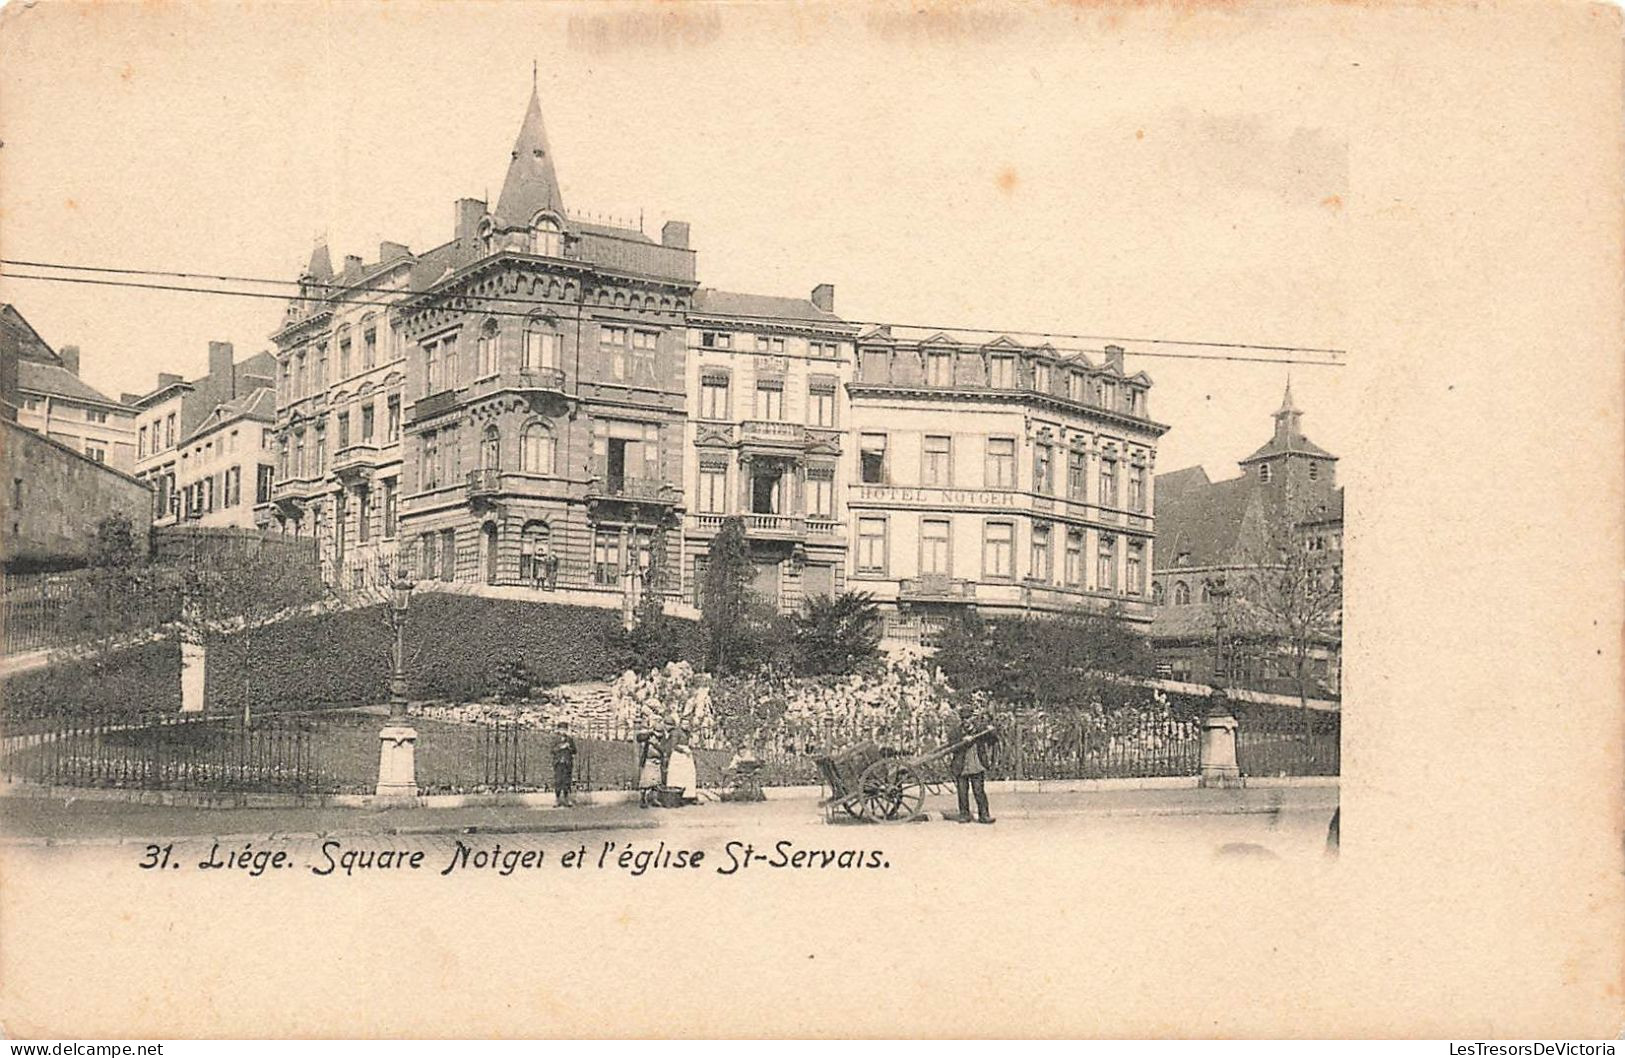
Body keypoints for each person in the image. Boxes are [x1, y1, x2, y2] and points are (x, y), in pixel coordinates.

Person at [948, 702, 998, 825]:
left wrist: (991, 732)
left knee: (979, 791)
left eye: (968, 718)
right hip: (961, 766)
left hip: (977, 764)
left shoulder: (980, 729)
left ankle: (984, 815)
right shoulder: (956, 731)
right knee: (962, 792)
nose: (966, 721)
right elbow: (952, 746)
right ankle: (964, 815)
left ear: (972, 717)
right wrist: (963, 740)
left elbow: (993, 740)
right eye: (963, 718)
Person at [663, 712, 698, 805]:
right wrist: (683, 750)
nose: (686, 726)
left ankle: (689, 795)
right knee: (678, 775)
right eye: (684, 724)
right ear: (680, 724)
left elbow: (688, 743)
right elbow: (674, 746)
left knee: (689, 774)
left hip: (686, 755)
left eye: (687, 724)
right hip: (678, 756)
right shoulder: (676, 732)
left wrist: (690, 745)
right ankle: (677, 796)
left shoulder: (688, 733)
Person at [635, 725, 664, 808]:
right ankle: (643, 799)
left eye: (660, 733)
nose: (658, 735)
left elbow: (664, 750)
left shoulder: (662, 740)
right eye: (656, 732)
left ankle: (654, 799)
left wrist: (655, 745)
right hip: (648, 761)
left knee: (656, 782)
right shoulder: (648, 737)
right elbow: (639, 738)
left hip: (657, 761)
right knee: (646, 782)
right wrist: (649, 733)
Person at [550, 721, 578, 808]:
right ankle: (557, 799)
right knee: (558, 780)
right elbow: (552, 750)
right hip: (558, 762)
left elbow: (575, 751)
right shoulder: (556, 739)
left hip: (567, 762)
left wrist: (569, 747)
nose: (563, 731)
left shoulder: (569, 739)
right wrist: (561, 747)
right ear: (558, 730)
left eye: (565, 729)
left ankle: (567, 799)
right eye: (561, 729)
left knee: (567, 781)